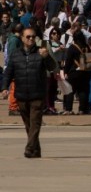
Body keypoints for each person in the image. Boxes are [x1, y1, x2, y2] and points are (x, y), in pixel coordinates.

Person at [1, 27, 57, 157]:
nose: (31, 39)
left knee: (35, 123)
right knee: (28, 125)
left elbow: (52, 67)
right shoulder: (15, 54)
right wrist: (4, 87)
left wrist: (46, 57)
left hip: (37, 94)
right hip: (21, 94)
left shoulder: (41, 52)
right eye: (28, 37)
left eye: (33, 36)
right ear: (22, 38)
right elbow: (8, 72)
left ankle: (29, 147)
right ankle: (36, 150)